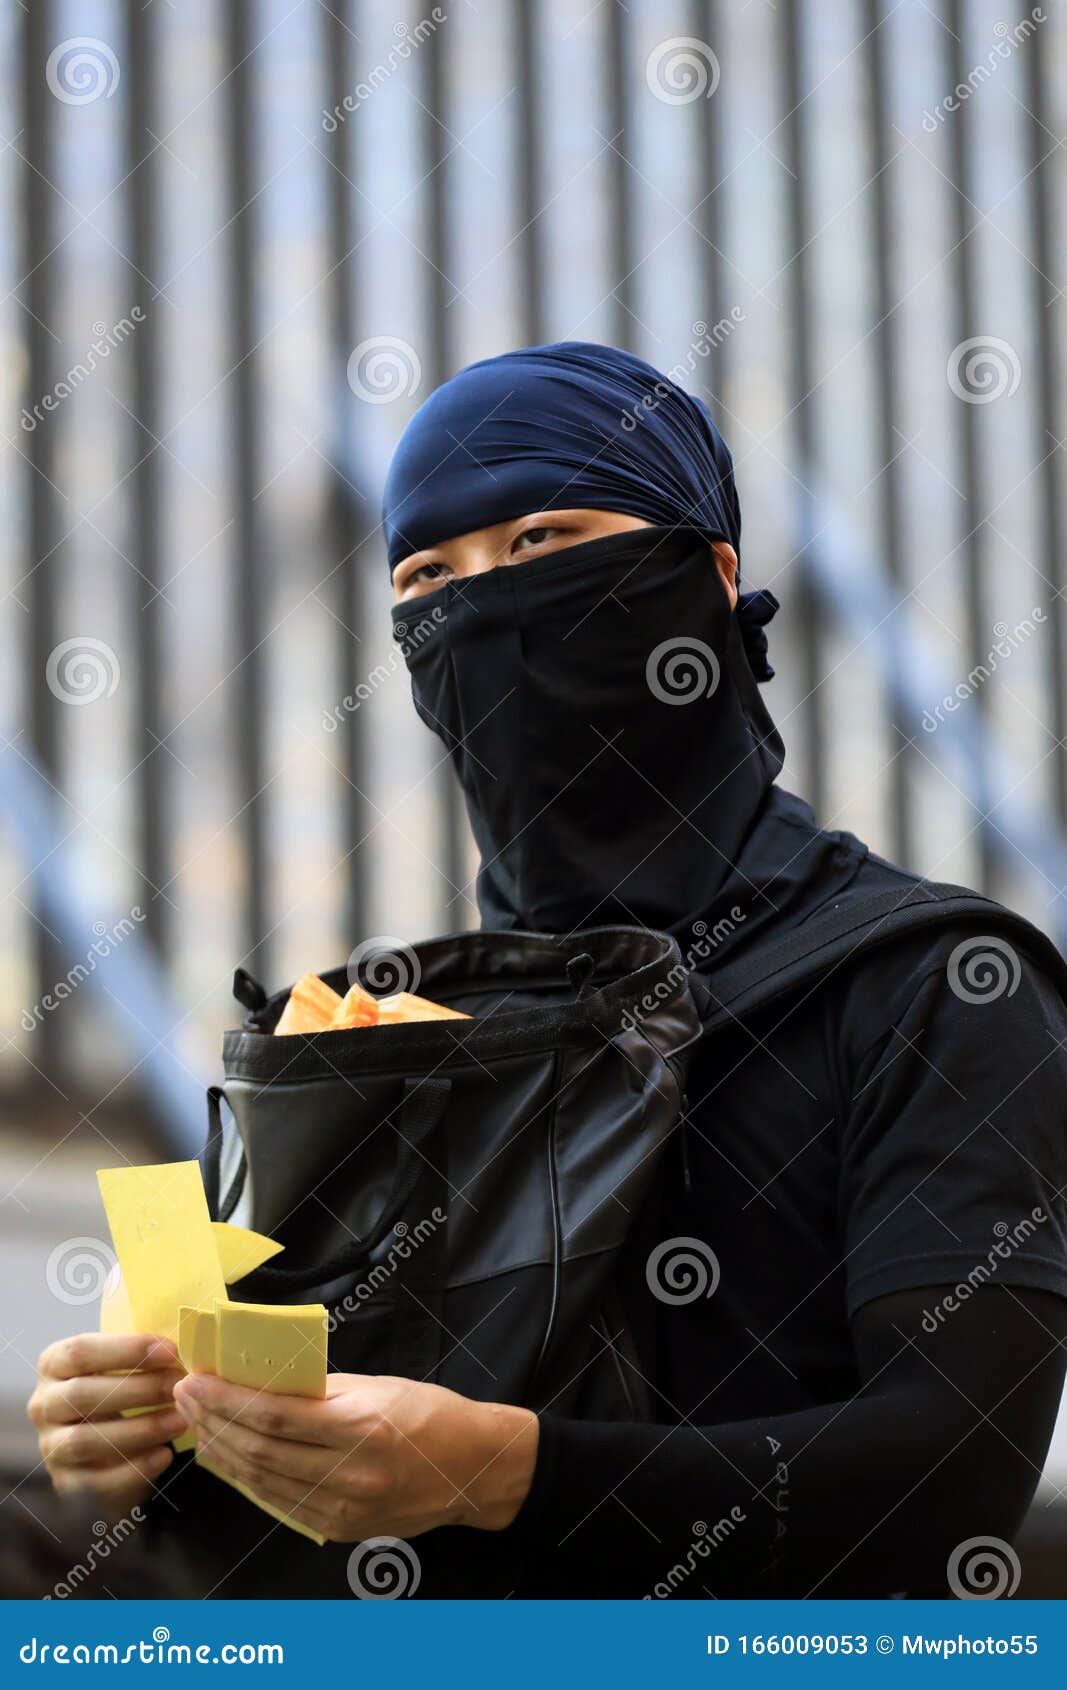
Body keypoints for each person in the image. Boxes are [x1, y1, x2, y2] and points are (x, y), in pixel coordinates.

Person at [30, 343, 1067, 1598]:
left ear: (710, 573)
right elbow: (224, 1514)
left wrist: (507, 1469)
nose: (478, 606)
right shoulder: (366, 1033)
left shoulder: (933, 986)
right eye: (427, 575)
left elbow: (945, 1476)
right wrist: (119, 1452)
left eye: (538, 543)